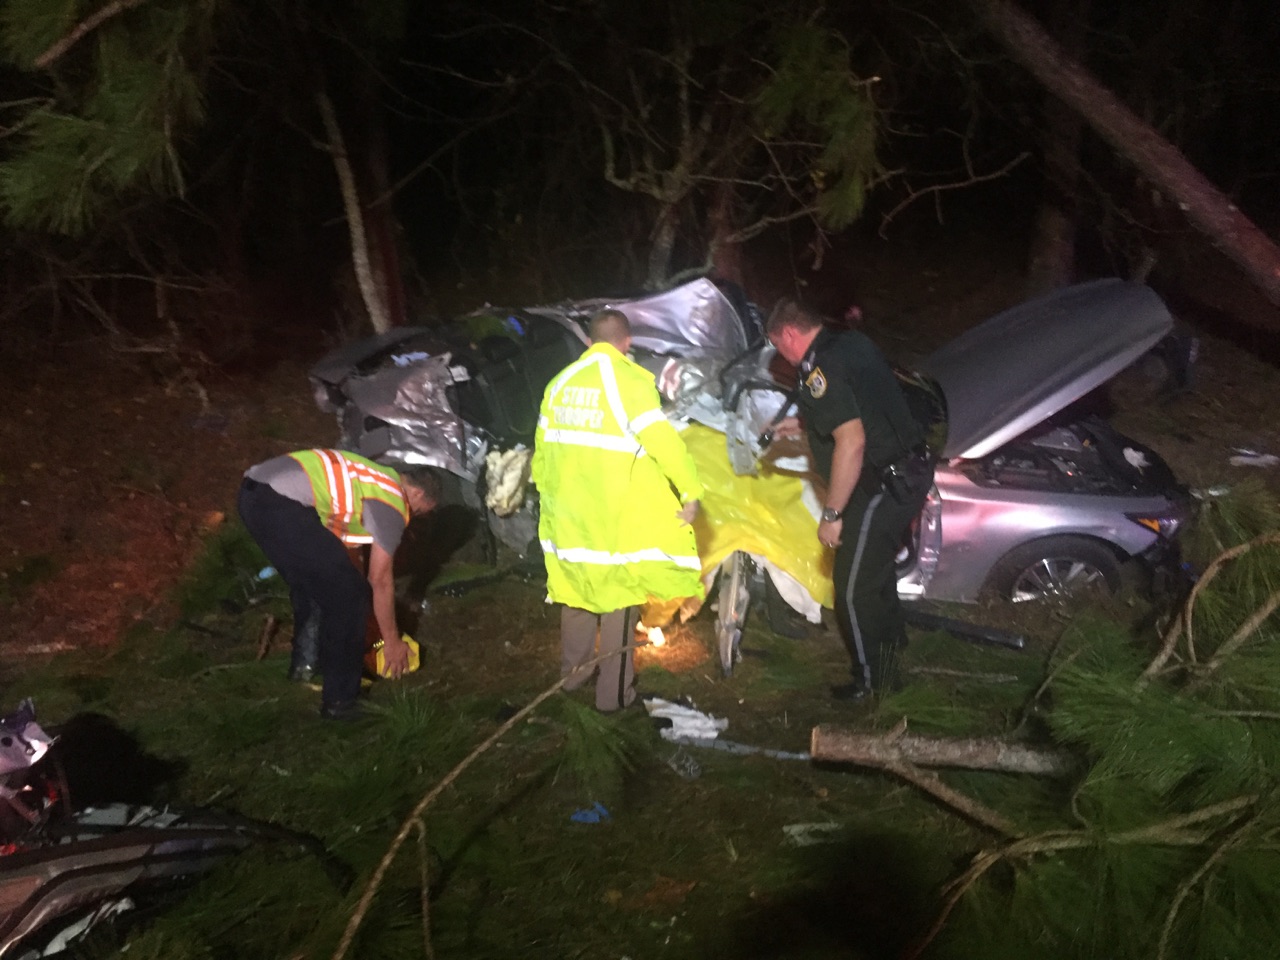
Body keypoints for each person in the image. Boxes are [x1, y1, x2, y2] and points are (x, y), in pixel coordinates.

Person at [531, 308, 704, 712]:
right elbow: (664, 443)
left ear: (589, 343)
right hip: (611, 519)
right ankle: (613, 697)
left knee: (575, 595)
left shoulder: (558, 385)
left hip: (568, 520)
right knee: (617, 603)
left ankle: (573, 678)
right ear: (627, 343)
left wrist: (548, 497)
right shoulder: (627, 382)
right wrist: (690, 490)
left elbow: (541, 452)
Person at [766, 298, 934, 701]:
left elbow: (852, 442)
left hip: (884, 484)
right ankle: (893, 646)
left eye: (779, 347)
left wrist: (832, 513)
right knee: (872, 570)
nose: (782, 358)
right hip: (906, 470)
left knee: (853, 590)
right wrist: (804, 423)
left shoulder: (821, 369)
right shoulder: (848, 344)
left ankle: (873, 683)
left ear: (789, 334)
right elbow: (861, 404)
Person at [237, 449, 441, 720]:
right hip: (278, 504)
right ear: (416, 495)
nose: (412, 517)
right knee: (350, 597)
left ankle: (306, 665)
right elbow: (380, 580)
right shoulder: (392, 503)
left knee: (317, 583)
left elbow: (343, 546)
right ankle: (341, 702)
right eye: (419, 512)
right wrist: (391, 642)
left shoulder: (374, 477)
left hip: (253, 492)